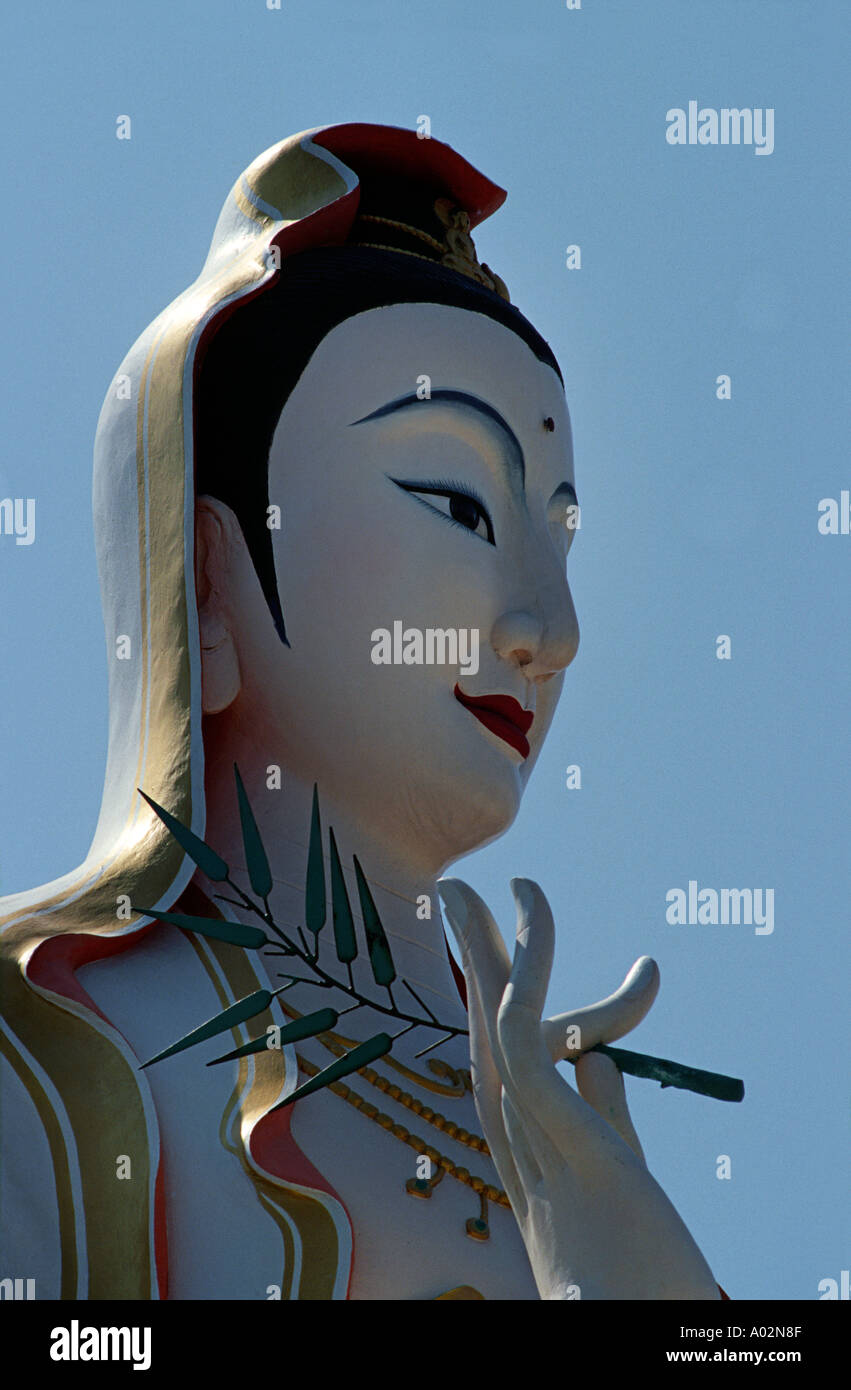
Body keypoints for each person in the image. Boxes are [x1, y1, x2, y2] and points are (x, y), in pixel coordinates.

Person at [0, 123, 723, 1300]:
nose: (551, 626)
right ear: (209, 576)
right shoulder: (39, 1038)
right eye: (455, 504)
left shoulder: (561, 1137)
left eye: (558, 533)